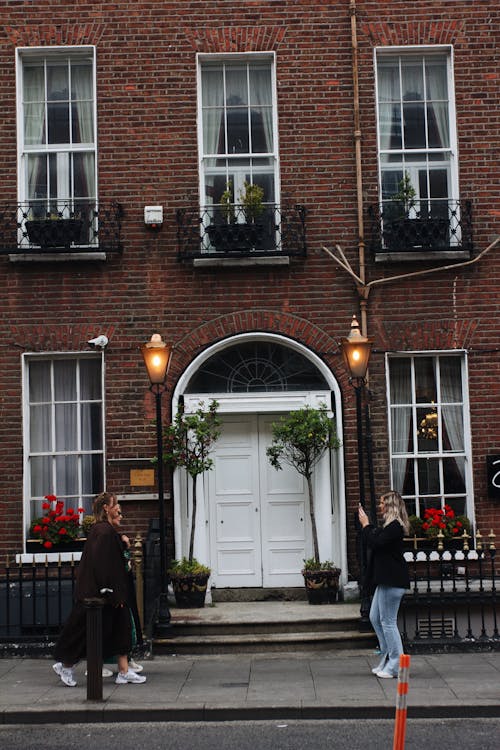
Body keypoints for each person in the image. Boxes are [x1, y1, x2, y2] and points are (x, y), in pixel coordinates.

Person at [52, 491, 146, 687]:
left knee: (121, 629)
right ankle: (66, 666)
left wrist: (122, 544)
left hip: (108, 593)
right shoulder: (103, 531)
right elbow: (103, 565)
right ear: (106, 508)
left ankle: (124, 671)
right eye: (116, 506)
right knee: (84, 632)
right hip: (99, 595)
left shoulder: (106, 531)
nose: (119, 510)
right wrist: (110, 591)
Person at [358, 490, 410, 679]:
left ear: (390, 506)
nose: (380, 506)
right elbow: (376, 538)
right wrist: (368, 526)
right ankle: (388, 657)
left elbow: (376, 542)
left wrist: (366, 525)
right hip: (385, 581)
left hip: (393, 581)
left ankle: (396, 664)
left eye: (382, 503)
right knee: (374, 617)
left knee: (388, 623)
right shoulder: (389, 527)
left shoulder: (395, 526)